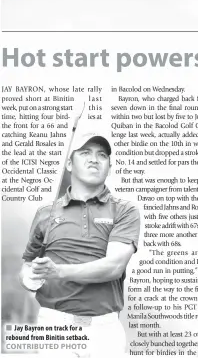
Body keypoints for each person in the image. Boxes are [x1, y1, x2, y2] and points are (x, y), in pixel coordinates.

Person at [20, 128, 140, 357]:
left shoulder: (125, 210)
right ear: (69, 164)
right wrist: (29, 277)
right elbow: (27, 264)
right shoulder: (45, 213)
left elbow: (114, 267)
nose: (94, 159)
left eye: (102, 155)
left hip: (104, 332)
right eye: (85, 152)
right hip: (53, 326)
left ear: (109, 167)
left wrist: (58, 272)